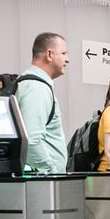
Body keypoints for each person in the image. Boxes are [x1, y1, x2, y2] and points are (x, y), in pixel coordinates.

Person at [17, 32, 68, 173]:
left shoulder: (34, 85)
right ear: (49, 54)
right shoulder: (36, 88)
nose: (67, 59)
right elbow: (32, 139)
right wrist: (50, 172)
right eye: (63, 53)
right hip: (43, 184)